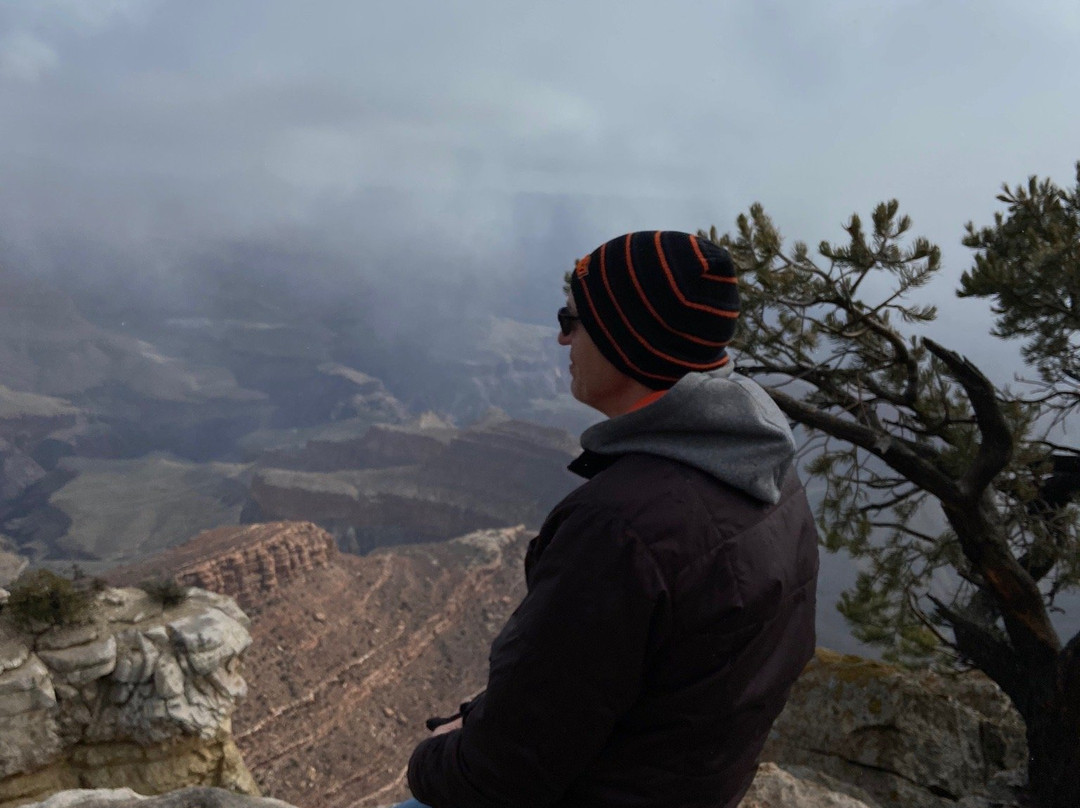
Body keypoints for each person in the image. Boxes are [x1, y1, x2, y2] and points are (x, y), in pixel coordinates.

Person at [399, 231, 819, 808]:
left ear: (628, 340)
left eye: (572, 320)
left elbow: (499, 776)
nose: (561, 337)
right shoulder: (768, 467)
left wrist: (430, 757)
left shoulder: (620, 528)